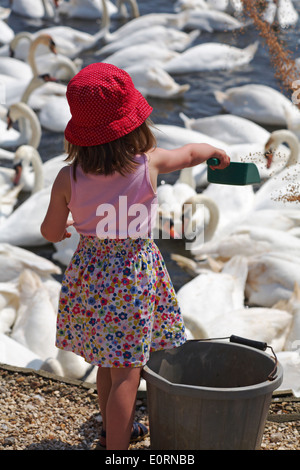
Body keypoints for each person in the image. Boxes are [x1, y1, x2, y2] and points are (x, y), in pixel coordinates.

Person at [40, 62, 230, 450]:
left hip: (91, 275)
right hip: (133, 275)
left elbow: (48, 231)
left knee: (109, 364)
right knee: (130, 370)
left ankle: (113, 431)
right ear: (134, 125)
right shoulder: (149, 165)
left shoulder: (68, 177)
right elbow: (190, 153)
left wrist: (61, 230)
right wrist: (214, 151)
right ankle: (117, 452)